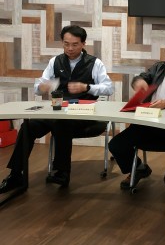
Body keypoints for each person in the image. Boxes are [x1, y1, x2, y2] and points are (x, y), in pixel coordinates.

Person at [0, 25, 114, 193]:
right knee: (28, 126)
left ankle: (62, 172)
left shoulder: (95, 63)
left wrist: (87, 87)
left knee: (62, 123)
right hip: (58, 111)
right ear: (62, 42)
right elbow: (38, 86)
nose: (70, 48)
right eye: (66, 44)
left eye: (74, 44)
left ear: (83, 44)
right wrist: (42, 87)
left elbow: (109, 88)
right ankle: (16, 175)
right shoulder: (55, 61)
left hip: (85, 114)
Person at [108, 36, 165, 193]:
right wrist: (138, 82)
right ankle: (138, 168)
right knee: (116, 145)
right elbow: (143, 77)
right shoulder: (159, 68)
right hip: (150, 121)